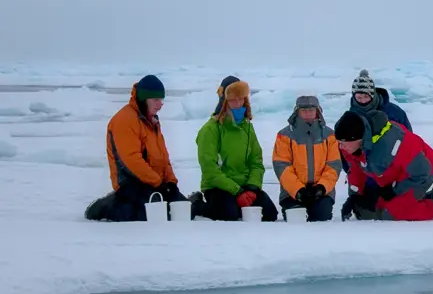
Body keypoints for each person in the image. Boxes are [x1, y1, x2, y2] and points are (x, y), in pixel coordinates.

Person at [333, 110, 433, 221]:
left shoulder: (394, 144)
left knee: (392, 213)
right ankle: (423, 198)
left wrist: (394, 190)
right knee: (374, 208)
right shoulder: (350, 148)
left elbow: (422, 172)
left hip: (421, 171)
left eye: (343, 142)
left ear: (357, 139)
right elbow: (356, 168)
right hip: (393, 174)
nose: (340, 147)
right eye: (338, 142)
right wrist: (355, 195)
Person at [85, 74, 187, 221]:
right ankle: (103, 208)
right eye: (156, 100)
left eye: (162, 99)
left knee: (182, 210)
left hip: (155, 184)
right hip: (131, 183)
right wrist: (158, 182)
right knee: (146, 215)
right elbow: (132, 160)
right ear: (144, 99)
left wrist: (171, 182)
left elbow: (164, 158)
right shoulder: (125, 120)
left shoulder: (152, 121)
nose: (161, 104)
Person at [194, 76, 278, 221]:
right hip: (218, 186)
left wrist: (252, 187)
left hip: (244, 185)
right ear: (224, 101)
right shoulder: (210, 130)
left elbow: (256, 161)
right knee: (229, 214)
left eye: (241, 99)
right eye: (232, 100)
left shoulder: (247, 127)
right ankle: (196, 205)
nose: (238, 104)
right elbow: (209, 169)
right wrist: (237, 191)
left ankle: (239, 201)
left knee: (269, 213)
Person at [272, 95, 342, 222]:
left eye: (311, 110)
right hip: (292, 193)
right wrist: (298, 190)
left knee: (320, 216)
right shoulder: (284, 136)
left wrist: (321, 188)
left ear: (317, 111)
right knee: (296, 219)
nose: (308, 114)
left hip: (322, 192)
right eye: (304, 111)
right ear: (297, 111)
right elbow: (282, 166)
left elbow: (334, 166)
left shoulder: (330, 136)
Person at [341, 69, 411, 181]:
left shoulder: (394, 112)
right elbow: (344, 147)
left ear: (372, 94)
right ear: (354, 96)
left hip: (393, 170)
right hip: (365, 173)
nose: (363, 101)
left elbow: (408, 139)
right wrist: (350, 171)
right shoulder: (351, 118)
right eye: (359, 97)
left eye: (366, 97)